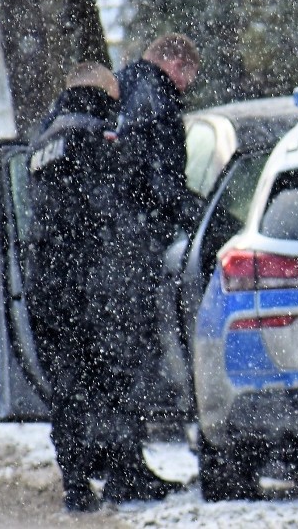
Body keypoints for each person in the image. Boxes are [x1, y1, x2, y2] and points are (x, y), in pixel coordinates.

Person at [91, 33, 202, 503]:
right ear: (175, 63)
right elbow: (157, 178)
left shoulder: (120, 89)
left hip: (108, 244)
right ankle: (125, 471)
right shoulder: (155, 96)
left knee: (115, 359)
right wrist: (202, 219)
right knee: (133, 358)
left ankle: (117, 462)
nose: (188, 85)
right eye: (189, 75)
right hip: (132, 246)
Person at [24, 61, 121, 512]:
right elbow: (111, 210)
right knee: (106, 379)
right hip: (88, 280)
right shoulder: (97, 132)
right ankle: (119, 473)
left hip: (46, 278)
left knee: (67, 386)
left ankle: (77, 483)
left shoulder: (44, 138)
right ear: (102, 90)